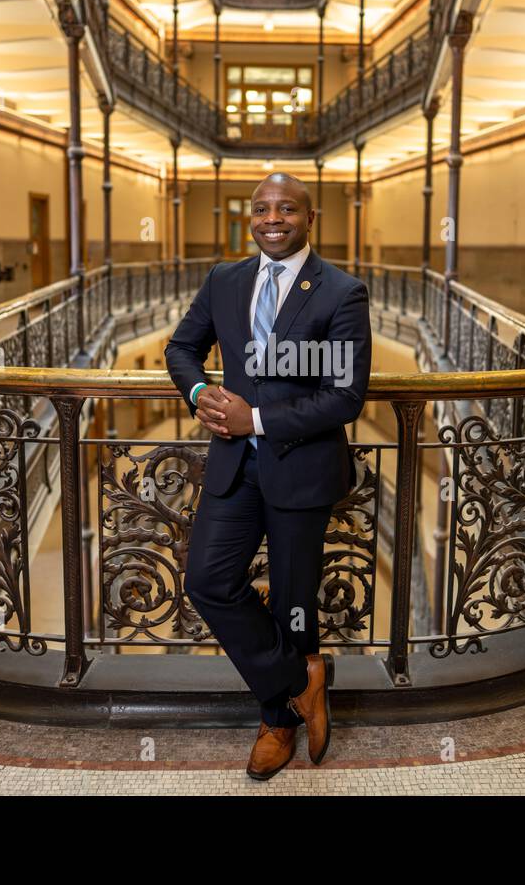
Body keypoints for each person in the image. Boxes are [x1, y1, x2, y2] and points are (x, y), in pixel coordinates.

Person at [163, 171, 371, 780]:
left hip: (301, 471)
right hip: (234, 469)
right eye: (261, 209)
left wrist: (254, 416)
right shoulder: (225, 280)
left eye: (286, 208)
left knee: (294, 604)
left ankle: (276, 723)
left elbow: (346, 395)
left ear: (311, 219)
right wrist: (200, 389)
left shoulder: (341, 291)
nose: (271, 218)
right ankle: (300, 680)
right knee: (207, 580)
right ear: (249, 218)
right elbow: (181, 348)